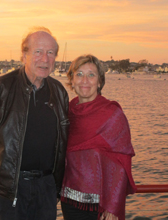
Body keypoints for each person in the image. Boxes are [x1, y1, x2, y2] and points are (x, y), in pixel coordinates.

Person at [0, 27, 69, 220]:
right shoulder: (1, 88)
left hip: (46, 190)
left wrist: (55, 188)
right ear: (24, 55)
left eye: (50, 53)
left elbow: (64, 143)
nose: (45, 59)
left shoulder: (59, 92)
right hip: (10, 191)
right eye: (38, 52)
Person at [60, 54, 136, 220]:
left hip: (100, 207)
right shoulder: (66, 113)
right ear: (72, 80)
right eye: (79, 74)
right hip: (69, 201)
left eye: (91, 75)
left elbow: (122, 162)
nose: (84, 80)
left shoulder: (112, 115)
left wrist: (113, 207)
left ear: (100, 82)